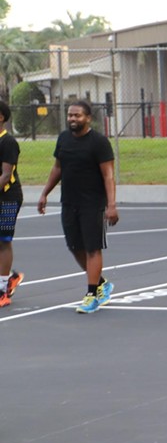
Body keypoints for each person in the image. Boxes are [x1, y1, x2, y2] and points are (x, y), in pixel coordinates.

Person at [36, 100, 119, 314]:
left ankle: (92, 295)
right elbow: (58, 168)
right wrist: (45, 193)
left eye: (78, 115)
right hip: (69, 202)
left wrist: (111, 205)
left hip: (92, 203)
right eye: (70, 115)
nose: (73, 119)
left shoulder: (99, 142)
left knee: (92, 248)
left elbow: (108, 175)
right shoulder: (63, 139)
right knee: (75, 247)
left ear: (88, 118)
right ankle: (102, 283)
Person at [0, 101, 23, 309]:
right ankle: (11, 277)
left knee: (3, 241)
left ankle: (2, 290)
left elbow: (6, 176)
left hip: (8, 198)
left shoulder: (7, 142)